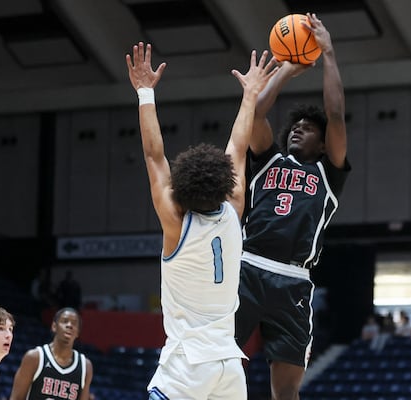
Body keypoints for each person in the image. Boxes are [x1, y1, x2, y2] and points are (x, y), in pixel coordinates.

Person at [125, 41, 277, 399]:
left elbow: (153, 155)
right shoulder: (234, 209)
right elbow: (238, 146)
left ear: (181, 188)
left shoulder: (176, 225)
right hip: (228, 365)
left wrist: (145, 93)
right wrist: (250, 94)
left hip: (188, 365)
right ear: (225, 184)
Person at [234, 12, 350, 399]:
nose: (299, 127)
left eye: (308, 127)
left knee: (286, 392)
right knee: (216, 368)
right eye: (295, 125)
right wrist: (287, 68)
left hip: (293, 281)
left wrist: (328, 53)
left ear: (322, 142)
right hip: (246, 268)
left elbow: (335, 114)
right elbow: (255, 114)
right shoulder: (269, 159)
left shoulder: (328, 173)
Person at [9, 307, 93, 400]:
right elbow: (16, 398)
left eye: (74, 323)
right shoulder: (35, 357)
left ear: (78, 332)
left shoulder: (85, 366)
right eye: (65, 321)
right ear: (54, 326)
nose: (69, 325)